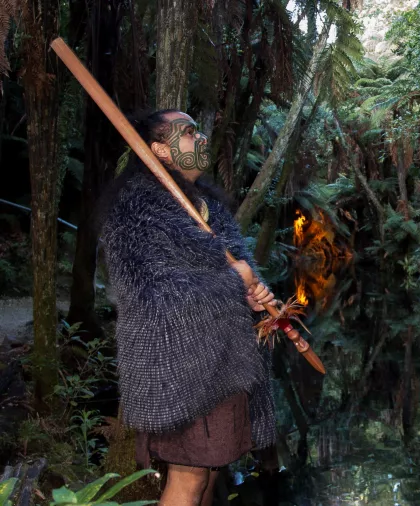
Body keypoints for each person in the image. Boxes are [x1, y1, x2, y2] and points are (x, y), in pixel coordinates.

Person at [98, 109, 276, 506]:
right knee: (189, 477)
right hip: (180, 369)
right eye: (189, 133)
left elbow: (238, 268)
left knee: (210, 472)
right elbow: (154, 294)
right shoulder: (137, 208)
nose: (202, 139)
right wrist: (236, 281)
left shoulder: (207, 205)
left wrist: (253, 292)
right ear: (160, 149)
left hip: (225, 364)